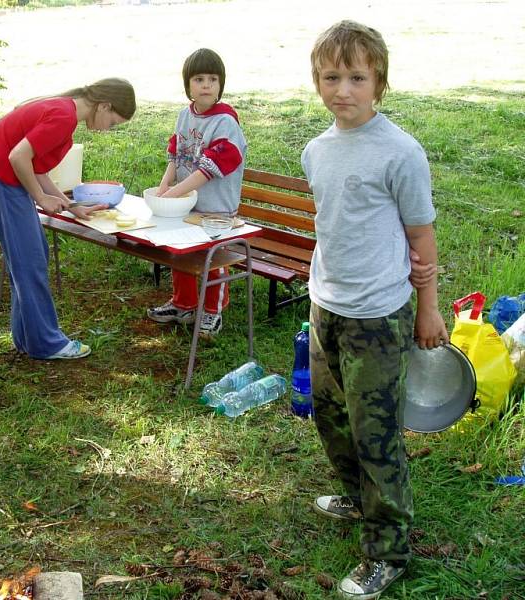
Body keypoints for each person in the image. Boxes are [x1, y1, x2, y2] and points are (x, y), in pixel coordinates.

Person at [302, 21, 449, 599]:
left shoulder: (401, 152)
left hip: (378, 315)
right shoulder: (317, 150)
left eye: (357, 77)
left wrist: (427, 308)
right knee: (329, 414)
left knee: (377, 432)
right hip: (325, 304)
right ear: (318, 81)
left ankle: (388, 548)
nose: (343, 89)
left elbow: (422, 235)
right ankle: (357, 496)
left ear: (379, 82)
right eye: (332, 77)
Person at [0, 78, 136, 359]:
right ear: (104, 105)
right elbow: (18, 157)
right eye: (114, 121)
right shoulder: (63, 117)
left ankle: (27, 338)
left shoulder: (64, 113)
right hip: (0, 179)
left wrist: (71, 205)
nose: (110, 129)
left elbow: (34, 168)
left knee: (32, 256)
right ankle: (47, 344)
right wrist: (39, 198)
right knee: (30, 261)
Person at [147, 48, 247, 337]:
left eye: (213, 79)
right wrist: (165, 186)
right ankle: (184, 304)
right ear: (187, 85)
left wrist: (174, 193)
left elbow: (209, 169)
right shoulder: (184, 116)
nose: (206, 85)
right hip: (185, 204)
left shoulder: (225, 122)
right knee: (181, 253)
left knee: (212, 258)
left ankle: (212, 311)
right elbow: (176, 154)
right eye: (199, 79)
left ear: (221, 84)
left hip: (215, 206)